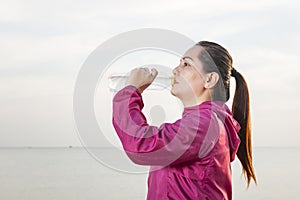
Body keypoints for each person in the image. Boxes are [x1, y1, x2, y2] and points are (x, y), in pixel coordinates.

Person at [112, 41, 256, 199]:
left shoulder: (206, 124)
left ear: (209, 79)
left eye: (186, 64)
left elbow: (142, 145)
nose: (175, 70)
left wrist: (130, 92)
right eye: (179, 63)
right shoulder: (204, 122)